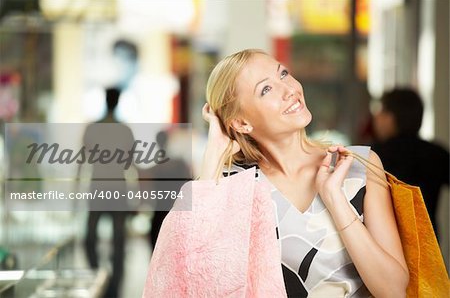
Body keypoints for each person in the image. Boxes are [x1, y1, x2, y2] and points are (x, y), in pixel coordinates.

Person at [143, 49, 409, 297]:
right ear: (241, 123)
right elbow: (188, 275)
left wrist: (335, 198)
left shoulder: (359, 164)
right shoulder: (230, 185)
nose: (289, 90)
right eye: (266, 89)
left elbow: (394, 290)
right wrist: (214, 154)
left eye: (283, 74)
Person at [372, 88, 449, 238]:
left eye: (381, 112)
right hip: (427, 241)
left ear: (391, 117)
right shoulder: (436, 153)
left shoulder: (375, 155)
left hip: (387, 242)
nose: (376, 118)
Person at [81, 87, 135, 298]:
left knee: (92, 237)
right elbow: (131, 164)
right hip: (116, 186)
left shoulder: (94, 128)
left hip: (99, 185)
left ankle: (100, 274)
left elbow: (81, 160)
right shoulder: (124, 130)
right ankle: (112, 281)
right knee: (118, 238)